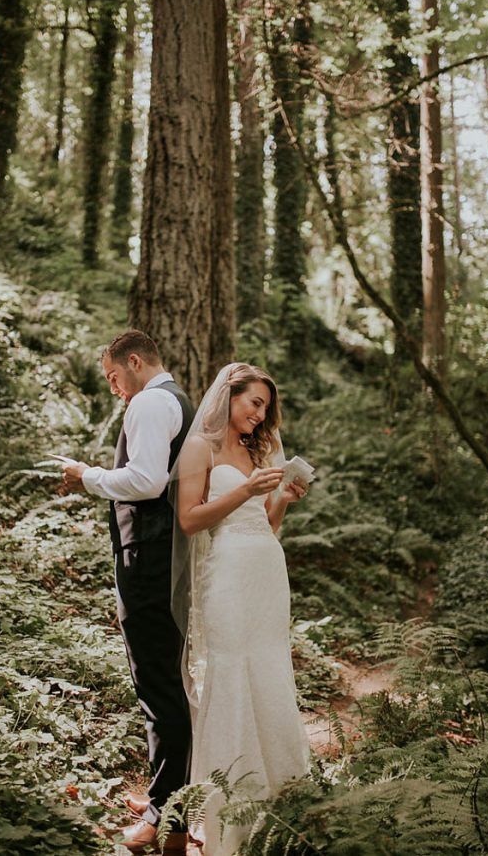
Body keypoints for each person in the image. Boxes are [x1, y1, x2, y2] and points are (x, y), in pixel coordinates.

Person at [60, 329, 195, 854]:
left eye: (115, 377)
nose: (116, 389)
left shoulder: (149, 404)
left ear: (134, 363)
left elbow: (145, 481)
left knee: (158, 685)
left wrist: (87, 474)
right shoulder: (174, 398)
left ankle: (171, 820)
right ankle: (169, 794)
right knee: (162, 680)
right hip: (162, 556)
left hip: (150, 559)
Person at [170, 362, 310, 855]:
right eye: (254, 403)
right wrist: (243, 490)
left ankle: (282, 800)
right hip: (225, 572)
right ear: (230, 395)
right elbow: (190, 521)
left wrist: (283, 499)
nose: (259, 414)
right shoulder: (199, 448)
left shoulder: (260, 449)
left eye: (265, 408)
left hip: (267, 570)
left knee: (268, 667)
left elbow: (265, 524)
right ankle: (229, 810)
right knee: (232, 670)